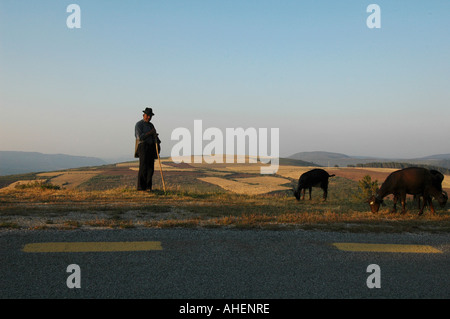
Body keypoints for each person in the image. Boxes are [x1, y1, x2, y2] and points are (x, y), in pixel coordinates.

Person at [135, 107, 161, 191]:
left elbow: (154, 135)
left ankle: (148, 187)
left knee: (151, 168)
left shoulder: (151, 125)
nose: (149, 117)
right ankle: (140, 187)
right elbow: (140, 137)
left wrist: (155, 136)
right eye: (147, 115)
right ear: (144, 115)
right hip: (143, 146)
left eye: (150, 116)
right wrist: (151, 133)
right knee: (143, 167)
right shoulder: (139, 124)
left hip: (151, 147)